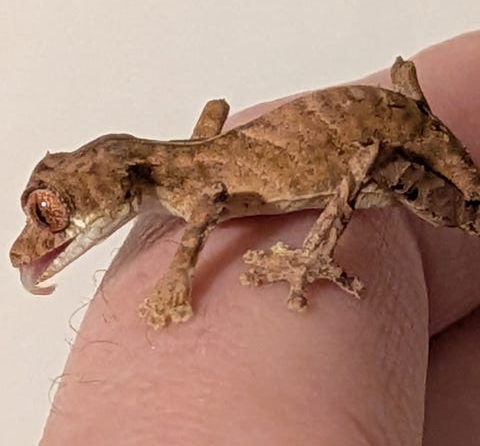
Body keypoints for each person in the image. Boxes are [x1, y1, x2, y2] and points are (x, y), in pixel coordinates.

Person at [41, 31, 480, 445]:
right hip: (381, 114)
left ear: (118, 183)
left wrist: (178, 279)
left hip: (382, 140)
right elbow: (215, 109)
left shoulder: (187, 189)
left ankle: (315, 255)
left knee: (464, 215)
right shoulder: (183, 175)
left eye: (51, 212)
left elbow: (209, 203)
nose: (29, 244)